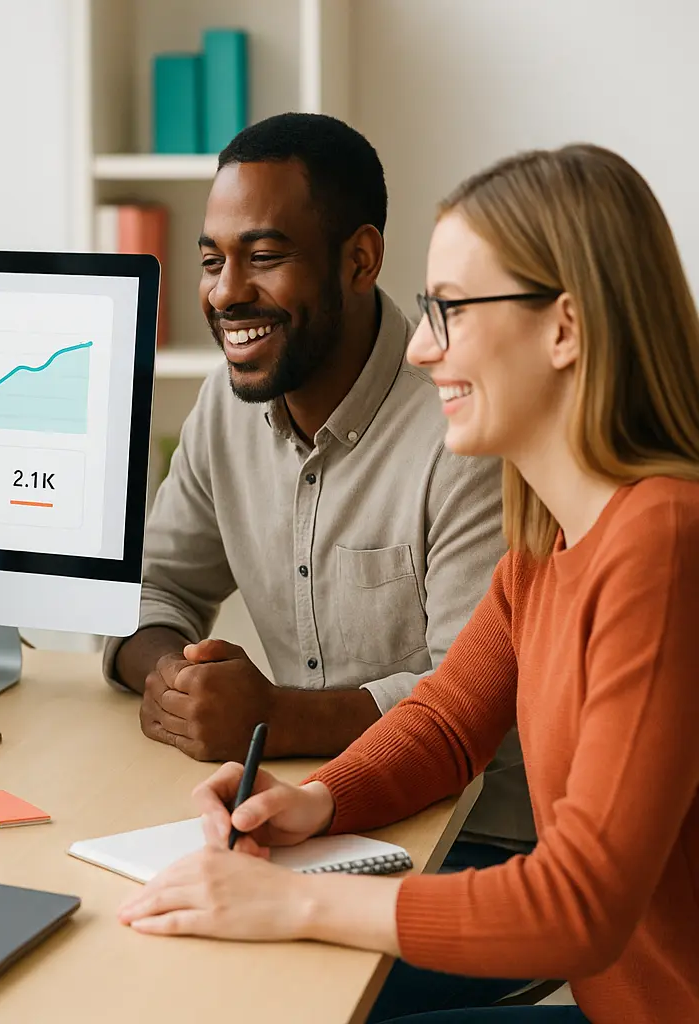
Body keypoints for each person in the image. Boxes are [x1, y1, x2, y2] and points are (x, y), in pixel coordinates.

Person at [119, 144, 699, 1023]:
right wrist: (313, 801)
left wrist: (300, 902)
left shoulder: (663, 544)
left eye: (452, 312)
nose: (423, 348)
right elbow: (441, 726)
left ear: (565, 329)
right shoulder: (547, 545)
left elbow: (579, 905)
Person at [104, 113, 533, 863]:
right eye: (212, 261)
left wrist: (273, 716)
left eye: (264, 256)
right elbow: (145, 589)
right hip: (302, 805)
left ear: (360, 260)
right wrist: (176, 681)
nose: (227, 294)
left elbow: (469, 705)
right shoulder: (223, 410)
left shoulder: (462, 429)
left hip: (472, 837)